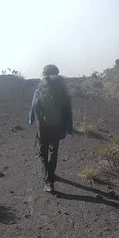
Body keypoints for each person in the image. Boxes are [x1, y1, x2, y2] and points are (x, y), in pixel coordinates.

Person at [28, 64, 73, 193]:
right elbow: (68, 111)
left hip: (43, 128)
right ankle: (51, 175)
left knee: (43, 153)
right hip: (58, 127)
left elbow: (33, 107)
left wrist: (31, 119)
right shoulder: (63, 92)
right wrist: (70, 128)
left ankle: (48, 181)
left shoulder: (39, 90)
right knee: (53, 152)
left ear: (45, 75)